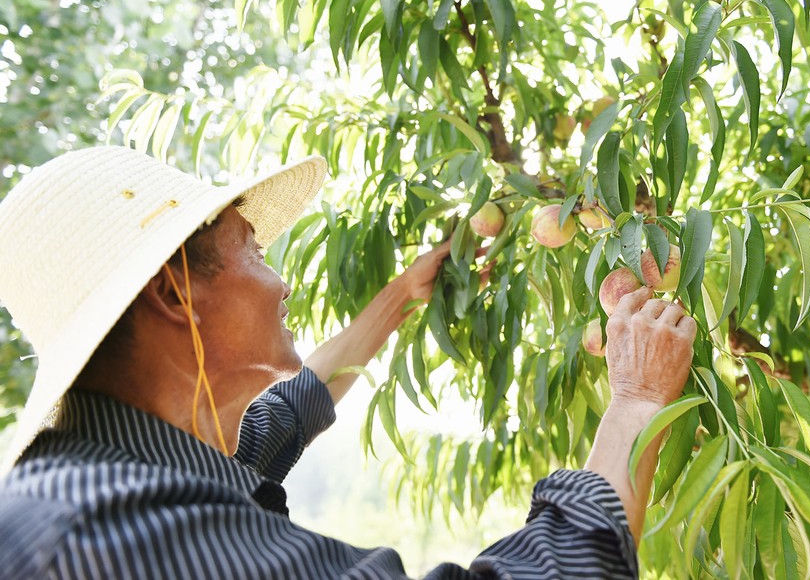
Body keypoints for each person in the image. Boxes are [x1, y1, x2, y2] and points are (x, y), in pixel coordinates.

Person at [0, 146, 696, 579]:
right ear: (174, 291)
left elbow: (295, 405)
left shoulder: (142, 463)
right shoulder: (116, 531)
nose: (282, 283)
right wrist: (635, 400)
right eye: (256, 251)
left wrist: (403, 294)